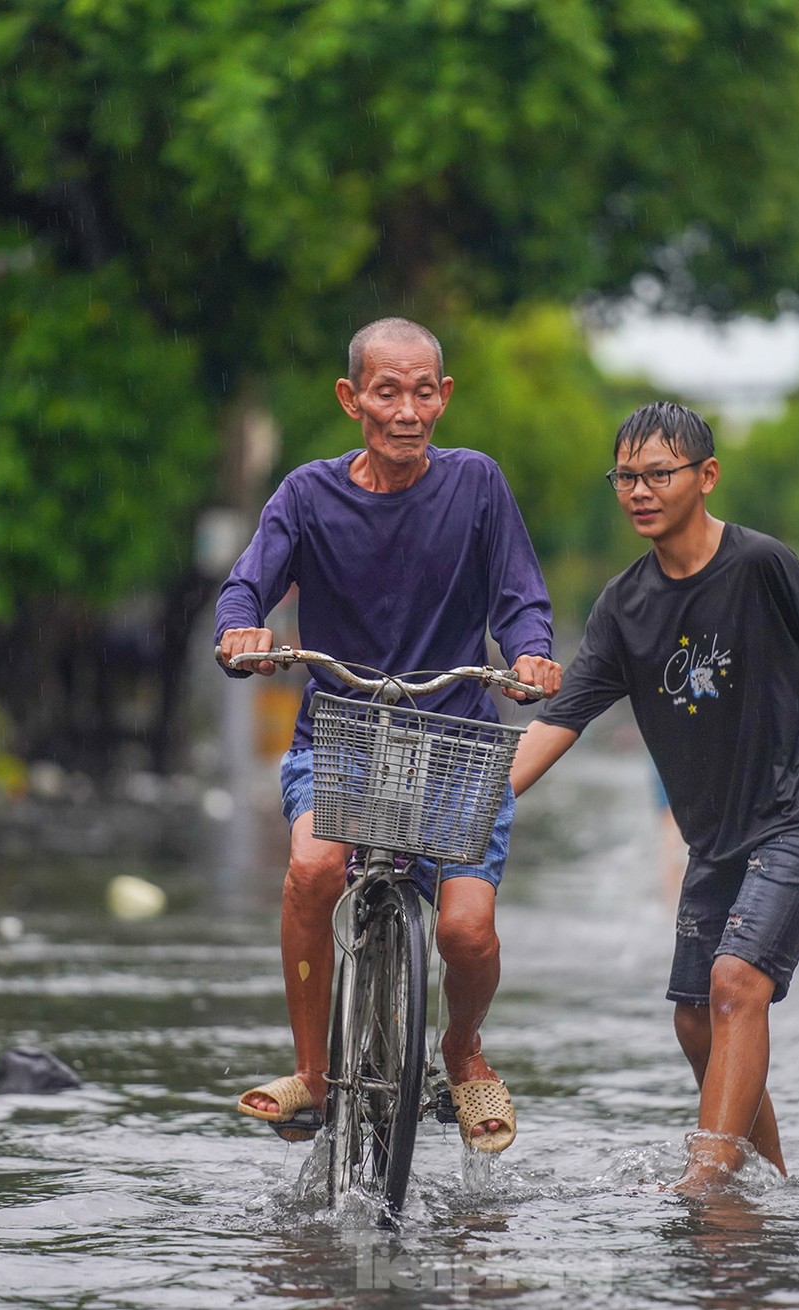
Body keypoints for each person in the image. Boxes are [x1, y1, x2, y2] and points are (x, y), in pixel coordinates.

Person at [510, 401, 799, 1192]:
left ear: (706, 478)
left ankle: (706, 1181)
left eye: (658, 475)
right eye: (626, 478)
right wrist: (483, 799)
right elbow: (561, 720)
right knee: (693, 1017)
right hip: (718, 836)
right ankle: (769, 1181)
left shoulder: (762, 567)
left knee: (737, 983)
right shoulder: (624, 606)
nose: (639, 491)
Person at [215, 316, 562, 1155]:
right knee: (312, 867)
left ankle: (462, 1051)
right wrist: (243, 633)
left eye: (421, 391)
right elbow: (245, 588)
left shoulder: (478, 484)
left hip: (458, 745)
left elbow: (520, 595)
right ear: (351, 399)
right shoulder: (305, 494)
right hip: (339, 739)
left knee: (466, 932)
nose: (405, 410)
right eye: (385, 391)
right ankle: (310, 1072)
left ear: (443, 398)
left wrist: (532, 655)